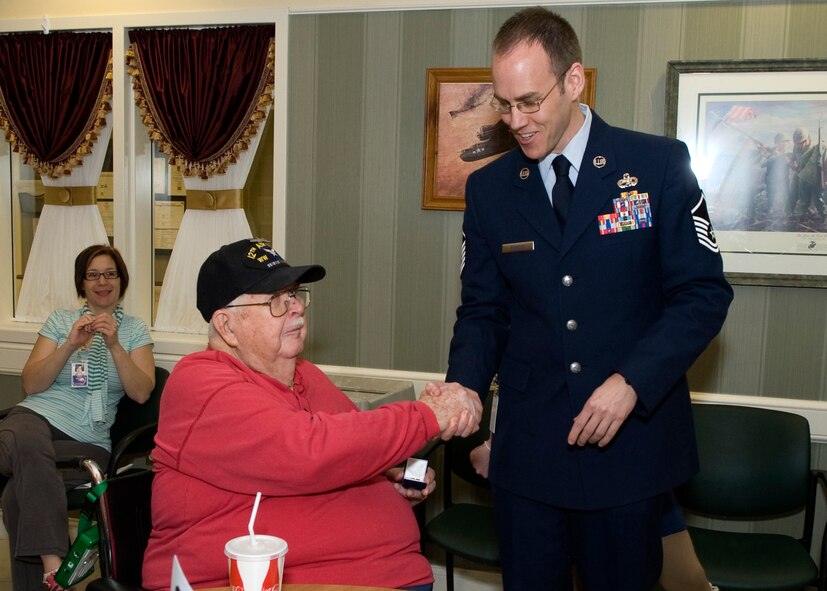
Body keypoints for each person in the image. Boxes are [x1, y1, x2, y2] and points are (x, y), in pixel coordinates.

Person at [431, 7, 733, 589]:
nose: (516, 120)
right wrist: (464, 388)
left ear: (574, 81)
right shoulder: (490, 190)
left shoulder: (655, 166)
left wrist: (633, 381)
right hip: (529, 454)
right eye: (504, 103)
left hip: (629, 448)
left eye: (530, 101)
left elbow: (701, 295)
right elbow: (483, 311)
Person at [141, 238, 482, 591]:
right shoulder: (200, 381)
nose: (296, 309)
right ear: (227, 326)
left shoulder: (305, 375)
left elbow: (351, 446)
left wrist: (397, 474)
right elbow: (310, 451)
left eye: (295, 295)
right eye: (276, 300)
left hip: (386, 572)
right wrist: (427, 414)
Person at [0, 244, 155, 591]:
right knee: (24, 439)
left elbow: (142, 391)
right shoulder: (59, 321)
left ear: (121, 280)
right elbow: (30, 383)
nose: (102, 282)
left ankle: (43, 576)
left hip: (87, 441)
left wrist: (114, 345)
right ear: (81, 283)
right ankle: (54, 560)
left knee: (16, 492)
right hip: (35, 419)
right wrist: (69, 345)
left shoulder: (134, 330)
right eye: (93, 274)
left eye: (110, 274)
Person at [469, 391, 716, 591]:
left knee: (687, 578)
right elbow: (510, 384)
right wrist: (493, 444)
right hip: (550, 468)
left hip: (626, 470)